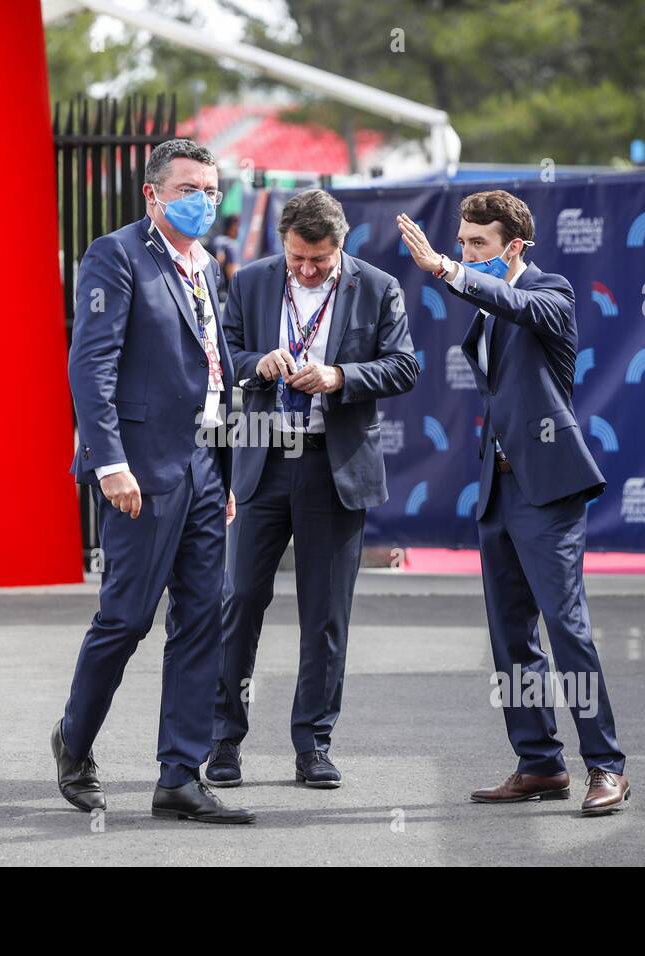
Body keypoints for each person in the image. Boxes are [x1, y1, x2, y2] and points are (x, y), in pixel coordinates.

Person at [397, 191, 629, 815]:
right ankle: (539, 764)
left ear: (514, 247)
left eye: (480, 244)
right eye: (463, 241)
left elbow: (513, 301)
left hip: (549, 491)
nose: (468, 252)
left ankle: (605, 766)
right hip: (498, 491)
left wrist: (447, 269)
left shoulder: (551, 294)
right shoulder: (490, 303)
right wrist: (460, 272)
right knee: (510, 637)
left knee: (565, 627)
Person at [55, 138, 254, 825]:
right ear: (153, 194)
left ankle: (179, 776)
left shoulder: (208, 265)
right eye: (189, 188)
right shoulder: (117, 255)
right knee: (127, 618)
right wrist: (110, 464)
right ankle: (74, 743)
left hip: (202, 464)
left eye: (211, 188)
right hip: (140, 469)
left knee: (203, 617)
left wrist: (220, 471)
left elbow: (213, 369)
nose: (204, 199)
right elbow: (92, 365)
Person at [206, 189, 419, 789]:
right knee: (240, 600)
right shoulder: (249, 281)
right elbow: (224, 355)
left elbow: (404, 366)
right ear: (284, 244)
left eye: (319, 260)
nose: (306, 269)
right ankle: (223, 742)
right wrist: (258, 366)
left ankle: (314, 745)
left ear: (341, 244)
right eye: (298, 257)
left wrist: (340, 376)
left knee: (325, 615)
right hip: (265, 462)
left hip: (334, 469)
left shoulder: (377, 288)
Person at [211, 213, 241, 304]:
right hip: (225, 297)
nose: (239, 230)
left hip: (212, 292)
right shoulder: (231, 245)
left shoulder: (216, 241)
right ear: (231, 227)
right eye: (237, 226)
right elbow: (235, 276)